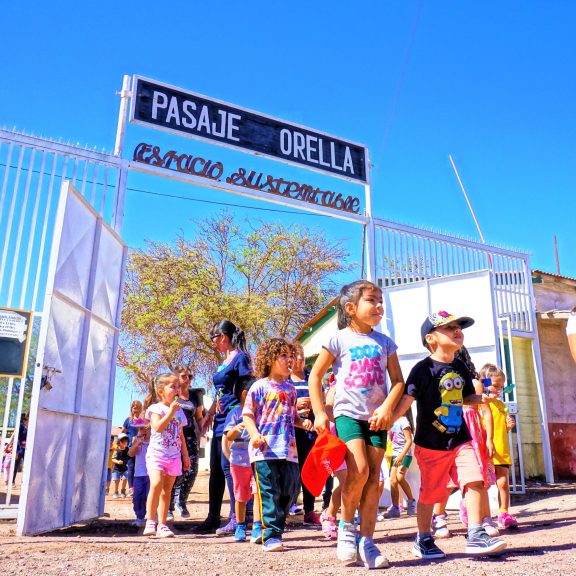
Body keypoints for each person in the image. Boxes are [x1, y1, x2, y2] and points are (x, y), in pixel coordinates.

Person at [390, 310, 506, 560]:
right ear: (431, 339)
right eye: (449, 328)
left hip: (460, 439)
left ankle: (475, 534)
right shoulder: (423, 369)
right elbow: (407, 398)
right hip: (430, 444)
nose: (457, 331)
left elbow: (466, 398)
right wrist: (388, 419)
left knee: (474, 479)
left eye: (459, 328)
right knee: (432, 494)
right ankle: (423, 539)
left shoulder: (460, 366)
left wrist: (481, 398)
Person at [309, 279, 405, 569]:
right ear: (351, 308)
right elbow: (315, 376)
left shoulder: (385, 342)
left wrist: (388, 408)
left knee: (374, 480)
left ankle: (368, 542)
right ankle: (346, 528)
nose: (378, 306)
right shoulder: (339, 339)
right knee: (358, 470)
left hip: (377, 419)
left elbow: (399, 381)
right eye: (371, 300)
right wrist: (319, 412)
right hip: (348, 414)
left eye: (380, 301)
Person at [242, 337, 313, 552]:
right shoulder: (259, 387)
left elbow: (292, 418)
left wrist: (305, 423)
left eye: (290, 356)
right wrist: (254, 434)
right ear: (270, 359)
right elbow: (248, 415)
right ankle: (271, 534)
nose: (289, 359)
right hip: (264, 451)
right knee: (268, 491)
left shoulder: (291, 390)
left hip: (288, 450)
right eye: (283, 355)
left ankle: (275, 529)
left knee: (290, 490)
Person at [193, 320, 254, 535]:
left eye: (214, 338)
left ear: (223, 337)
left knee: (231, 468)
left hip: (233, 417)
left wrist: (244, 415)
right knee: (216, 470)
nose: (213, 343)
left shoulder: (241, 358)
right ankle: (213, 517)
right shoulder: (222, 363)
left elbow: (248, 385)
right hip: (218, 418)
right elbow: (219, 392)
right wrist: (208, 414)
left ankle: (237, 517)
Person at [143, 373, 190, 538]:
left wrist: (185, 455)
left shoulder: (180, 412)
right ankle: (150, 520)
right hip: (157, 454)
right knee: (156, 484)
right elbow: (158, 427)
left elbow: (181, 435)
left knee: (167, 491)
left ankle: (162, 525)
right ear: (161, 391)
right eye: (173, 386)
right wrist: (170, 412)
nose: (177, 389)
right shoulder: (156, 409)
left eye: (178, 386)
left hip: (174, 456)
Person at [478, 363, 519, 530]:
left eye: (501, 386)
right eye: (495, 385)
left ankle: (503, 513)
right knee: (483, 485)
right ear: (484, 383)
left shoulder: (501, 405)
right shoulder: (480, 403)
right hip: (486, 450)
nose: (499, 389)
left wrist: (508, 424)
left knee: (503, 482)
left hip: (501, 450)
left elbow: (501, 426)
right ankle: (477, 512)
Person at [224, 388, 262, 543]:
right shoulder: (234, 414)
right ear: (245, 393)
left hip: (258, 458)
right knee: (240, 495)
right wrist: (235, 429)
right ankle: (240, 525)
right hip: (239, 461)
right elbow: (228, 436)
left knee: (258, 492)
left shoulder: (259, 412)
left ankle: (257, 526)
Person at [289, 340, 321, 526]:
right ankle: (287, 508)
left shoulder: (312, 377)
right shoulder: (284, 380)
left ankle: (309, 511)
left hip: (312, 431)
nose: (298, 360)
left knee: (311, 471)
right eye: (294, 356)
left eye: (300, 356)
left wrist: (314, 404)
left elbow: (322, 398)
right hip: (292, 433)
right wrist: (295, 405)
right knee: (292, 472)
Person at [168, 367, 204, 520]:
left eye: (190, 376)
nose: (188, 379)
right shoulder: (172, 395)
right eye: (184, 376)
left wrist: (201, 432)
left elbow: (199, 417)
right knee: (173, 473)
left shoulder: (195, 396)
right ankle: (168, 507)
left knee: (191, 471)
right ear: (176, 377)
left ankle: (181, 501)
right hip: (173, 439)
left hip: (190, 438)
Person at [319, 384, 348, 540]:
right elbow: (328, 409)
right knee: (345, 482)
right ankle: (329, 515)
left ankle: (345, 519)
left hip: (351, 437)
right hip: (336, 438)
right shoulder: (336, 386)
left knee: (353, 481)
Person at [382, 411, 416, 518]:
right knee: (392, 480)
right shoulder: (393, 421)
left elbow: (409, 441)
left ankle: (411, 501)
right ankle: (395, 508)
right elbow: (391, 439)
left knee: (400, 477)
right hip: (395, 455)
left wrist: (401, 455)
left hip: (405, 454)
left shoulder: (404, 421)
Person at [128, 424, 151, 527]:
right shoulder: (136, 440)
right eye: (141, 429)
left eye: (146, 428)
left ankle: (152, 518)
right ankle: (139, 518)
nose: (143, 431)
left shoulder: (155, 441)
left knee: (150, 496)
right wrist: (138, 443)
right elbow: (130, 453)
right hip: (139, 474)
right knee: (138, 497)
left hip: (152, 473)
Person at [122, 400, 144, 495]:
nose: (136, 410)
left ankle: (139, 487)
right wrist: (125, 443)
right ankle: (131, 488)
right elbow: (122, 432)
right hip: (130, 447)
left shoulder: (142, 421)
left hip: (141, 448)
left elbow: (145, 433)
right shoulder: (128, 420)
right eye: (134, 408)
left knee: (139, 467)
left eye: (138, 408)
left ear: (141, 409)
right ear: (131, 409)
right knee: (131, 467)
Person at [111, 433, 130, 498]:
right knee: (117, 481)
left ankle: (123, 491)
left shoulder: (127, 449)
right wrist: (118, 462)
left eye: (126, 441)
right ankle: (116, 492)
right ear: (119, 442)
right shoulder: (117, 450)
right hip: (116, 469)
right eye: (123, 441)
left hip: (124, 468)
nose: (125, 443)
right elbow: (113, 459)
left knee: (125, 479)